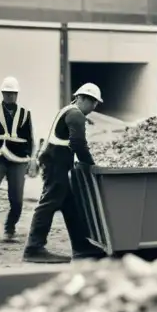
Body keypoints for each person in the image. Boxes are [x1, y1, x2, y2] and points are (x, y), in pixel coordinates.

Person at [22, 83, 105, 263]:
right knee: (49, 202)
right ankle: (34, 248)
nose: (94, 108)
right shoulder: (76, 115)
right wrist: (92, 165)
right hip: (56, 163)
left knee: (70, 205)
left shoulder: (68, 110)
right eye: (93, 103)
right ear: (82, 99)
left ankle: (82, 247)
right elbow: (78, 144)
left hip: (56, 161)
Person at [0, 76, 33, 245]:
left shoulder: (25, 113)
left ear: (17, 95)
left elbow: (29, 138)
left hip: (18, 159)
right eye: (7, 93)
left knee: (16, 198)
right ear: (2, 93)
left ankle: (10, 227)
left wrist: (30, 160)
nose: (10, 96)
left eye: (13, 93)